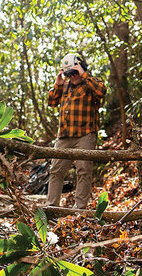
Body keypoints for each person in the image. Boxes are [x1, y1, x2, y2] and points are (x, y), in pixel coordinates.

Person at [46, 53, 107, 209]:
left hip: (85, 135)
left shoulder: (91, 83)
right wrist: (58, 84)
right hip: (64, 136)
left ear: (81, 68)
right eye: (70, 74)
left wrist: (83, 73)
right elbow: (51, 102)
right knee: (56, 171)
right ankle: (51, 206)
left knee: (84, 171)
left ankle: (79, 209)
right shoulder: (65, 86)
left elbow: (102, 91)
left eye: (74, 73)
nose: (72, 76)